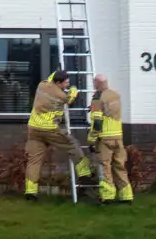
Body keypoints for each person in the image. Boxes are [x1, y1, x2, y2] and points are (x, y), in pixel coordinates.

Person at [24, 70, 95, 200]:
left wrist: (60, 72)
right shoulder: (62, 96)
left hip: (33, 128)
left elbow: (51, 77)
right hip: (50, 129)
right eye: (66, 83)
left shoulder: (42, 85)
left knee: (34, 160)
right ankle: (85, 175)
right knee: (73, 145)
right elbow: (71, 98)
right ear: (58, 83)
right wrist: (73, 89)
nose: (67, 85)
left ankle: (30, 191)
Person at [88, 74, 133, 204]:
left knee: (104, 166)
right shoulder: (115, 95)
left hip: (104, 138)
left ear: (96, 83)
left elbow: (97, 123)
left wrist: (91, 139)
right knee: (120, 166)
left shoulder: (97, 98)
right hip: (118, 137)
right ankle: (126, 195)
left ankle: (107, 196)